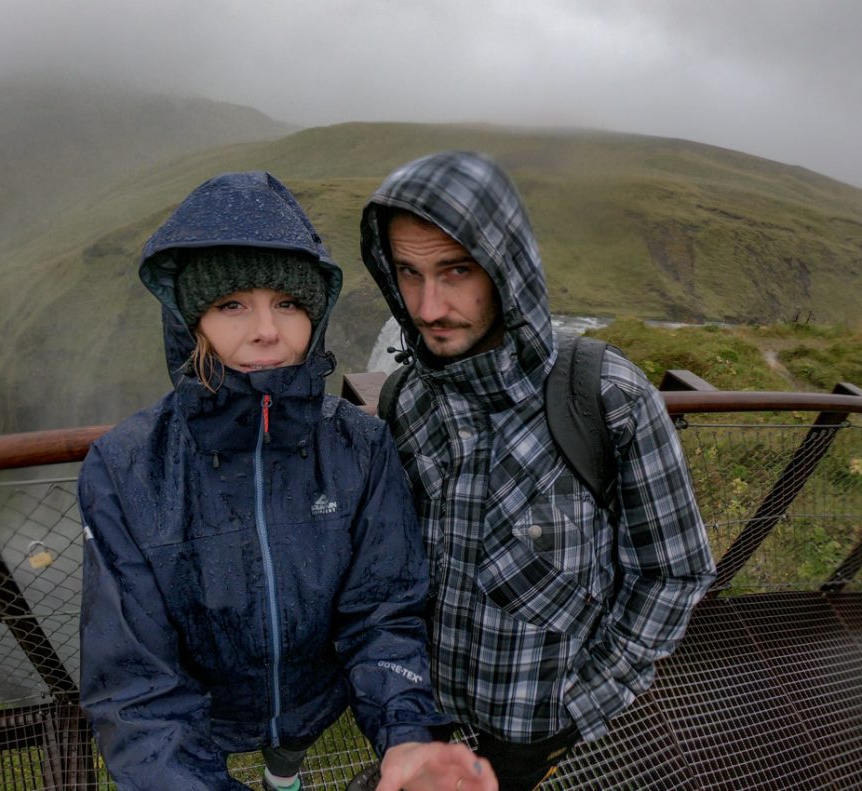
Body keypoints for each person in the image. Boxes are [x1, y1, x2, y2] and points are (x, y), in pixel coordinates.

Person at [78, 170, 497, 791]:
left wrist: (408, 738)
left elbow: (383, 614)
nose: (268, 331)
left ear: (317, 313)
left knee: (288, 759)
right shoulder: (124, 468)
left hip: (313, 700)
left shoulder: (362, 446)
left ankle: (284, 773)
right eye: (231, 305)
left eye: (289, 303)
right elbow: (140, 690)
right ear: (189, 321)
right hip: (211, 710)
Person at [358, 151, 717, 790]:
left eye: (456, 270)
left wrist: (579, 704)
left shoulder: (605, 396)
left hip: (533, 717)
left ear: (507, 268)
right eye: (408, 273)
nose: (429, 306)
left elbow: (675, 569)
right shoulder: (405, 402)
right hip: (427, 703)